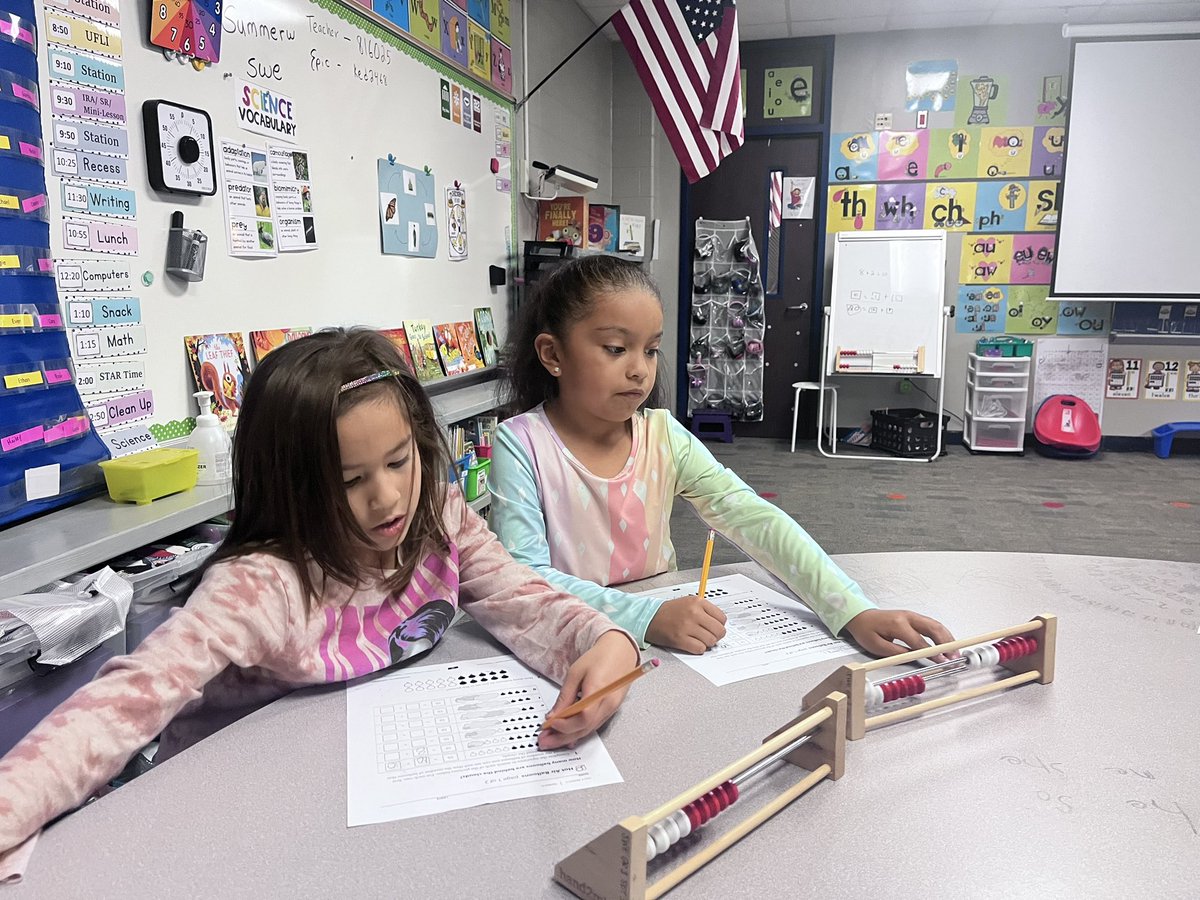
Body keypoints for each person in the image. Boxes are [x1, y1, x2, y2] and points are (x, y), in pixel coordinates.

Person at [0, 329, 639, 863]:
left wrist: (602, 639)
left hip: (361, 797)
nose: (387, 498)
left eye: (399, 460)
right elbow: (127, 700)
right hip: (230, 813)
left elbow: (521, 597)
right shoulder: (262, 585)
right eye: (350, 480)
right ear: (293, 487)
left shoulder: (440, 517)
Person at [490, 255, 954, 658]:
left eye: (651, 350)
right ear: (553, 354)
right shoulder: (522, 444)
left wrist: (852, 608)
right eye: (616, 349)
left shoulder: (663, 435)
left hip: (666, 637)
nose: (639, 369)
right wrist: (645, 616)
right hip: (575, 638)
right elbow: (525, 576)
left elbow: (754, 518)